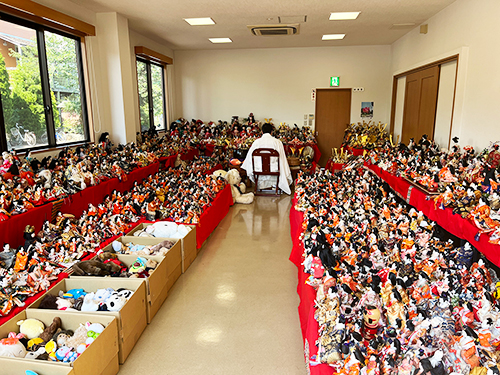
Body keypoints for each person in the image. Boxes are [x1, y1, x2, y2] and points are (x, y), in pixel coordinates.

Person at [241, 123, 292, 195]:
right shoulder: (277, 142)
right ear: (272, 132)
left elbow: (249, 158)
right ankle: (275, 186)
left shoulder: (256, 142)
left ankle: (260, 186)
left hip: (258, 170)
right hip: (274, 169)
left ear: (261, 132)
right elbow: (282, 159)